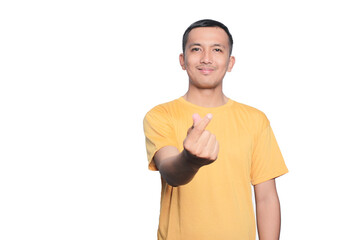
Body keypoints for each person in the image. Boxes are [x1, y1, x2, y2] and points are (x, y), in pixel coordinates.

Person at [143, 19, 288, 240]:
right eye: (196, 49)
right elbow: (170, 172)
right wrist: (190, 160)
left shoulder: (255, 120)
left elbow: (266, 197)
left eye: (217, 49)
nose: (206, 58)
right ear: (182, 60)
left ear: (230, 62)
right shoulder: (161, 115)